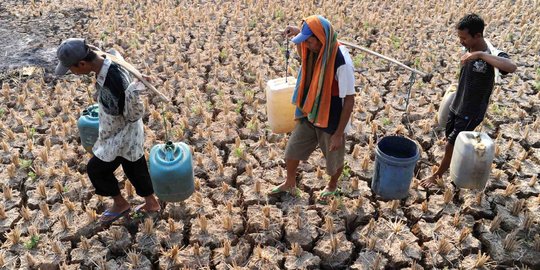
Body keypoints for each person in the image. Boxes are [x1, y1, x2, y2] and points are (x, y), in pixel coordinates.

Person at [55, 38, 161, 225]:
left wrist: (131, 92)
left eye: (72, 69)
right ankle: (151, 203)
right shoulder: (106, 57)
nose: (72, 73)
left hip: (120, 133)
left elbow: (126, 111)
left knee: (96, 169)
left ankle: (120, 204)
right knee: (134, 165)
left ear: (82, 63)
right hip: (130, 132)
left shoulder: (113, 80)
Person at [420, 14, 516, 188]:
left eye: (464, 38)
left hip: (471, 111)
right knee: (450, 139)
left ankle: (438, 175)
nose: (461, 42)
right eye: (459, 37)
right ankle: (454, 164)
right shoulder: (468, 49)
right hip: (457, 105)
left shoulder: (492, 53)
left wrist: (479, 54)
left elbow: (511, 66)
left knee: (451, 143)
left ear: (477, 35)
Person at [269, 15, 356, 204]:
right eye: (305, 41)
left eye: (309, 41)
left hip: (332, 116)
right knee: (292, 149)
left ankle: (332, 186)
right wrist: (299, 33)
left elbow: (349, 100)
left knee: (334, 159)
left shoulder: (342, 62)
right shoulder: (317, 48)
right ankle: (290, 182)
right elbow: (306, 46)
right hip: (311, 110)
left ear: (321, 38)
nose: (306, 46)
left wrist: (338, 133)